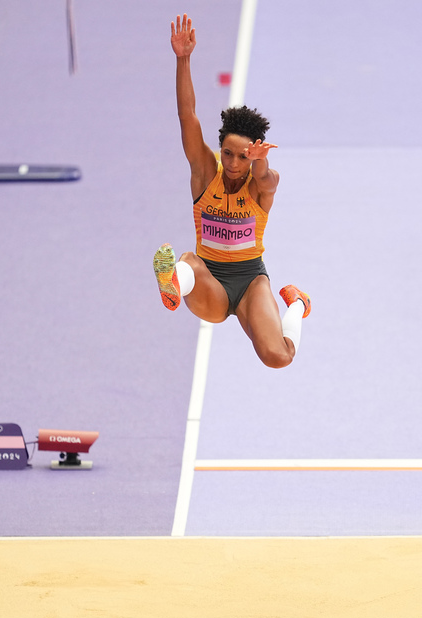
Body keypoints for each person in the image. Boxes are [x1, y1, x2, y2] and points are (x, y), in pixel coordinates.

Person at [153, 13, 310, 368]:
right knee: (187, 260)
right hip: (208, 279)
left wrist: (260, 163)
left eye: (243, 156)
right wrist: (183, 59)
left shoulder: (262, 184)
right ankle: (173, 281)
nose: (234, 163)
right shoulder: (206, 173)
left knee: (278, 357)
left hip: (250, 280)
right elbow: (187, 115)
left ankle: (299, 302)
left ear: (254, 154)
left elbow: (268, 179)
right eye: (228, 154)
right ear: (219, 150)